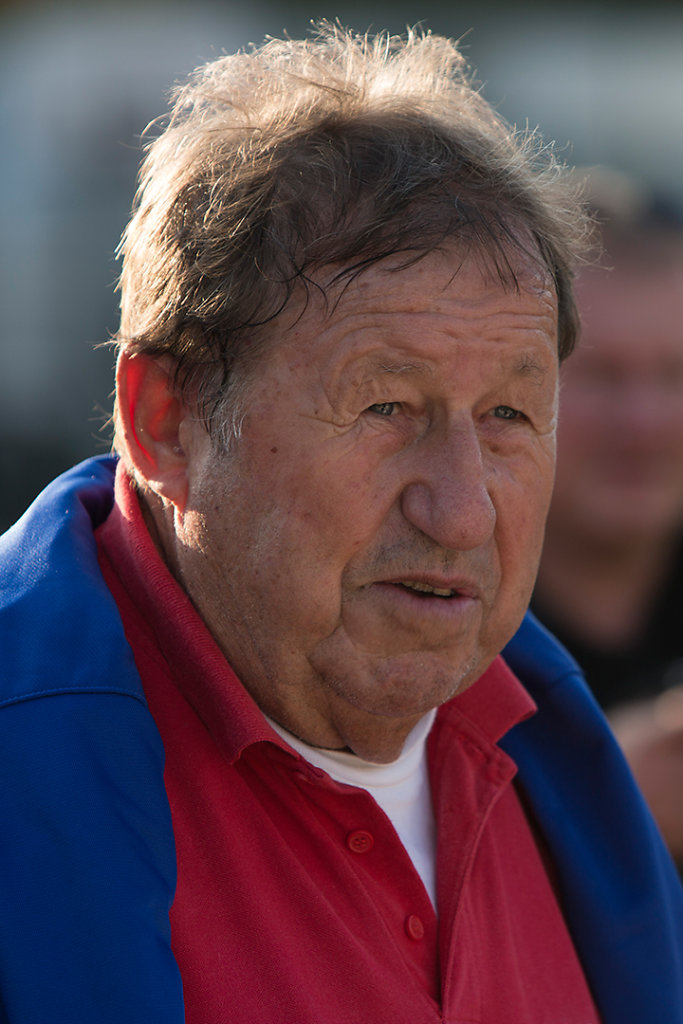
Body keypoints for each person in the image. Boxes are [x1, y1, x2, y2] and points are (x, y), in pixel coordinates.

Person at [1, 26, 682, 1024]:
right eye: (381, 408)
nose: (458, 508)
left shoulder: (558, 771)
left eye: (506, 415)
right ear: (166, 421)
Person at [531, 168, 683, 866]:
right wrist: (608, 795)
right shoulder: (421, 611)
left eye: (675, 374)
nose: (644, 422)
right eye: (600, 375)